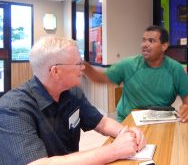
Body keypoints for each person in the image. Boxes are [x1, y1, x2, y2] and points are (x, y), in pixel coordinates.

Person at [0, 36, 146, 165]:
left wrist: (125, 132)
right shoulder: (13, 108)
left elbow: (101, 122)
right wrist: (114, 150)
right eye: (78, 64)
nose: (83, 68)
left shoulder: (72, 93)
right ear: (55, 71)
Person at [84, 25, 188, 122]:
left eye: (151, 41)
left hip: (161, 120)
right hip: (128, 120)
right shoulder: (128, 64)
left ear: (164, 46)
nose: (145, 45)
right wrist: (84, 66)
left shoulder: (175, 68)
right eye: (144, 40)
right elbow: (101, 78)